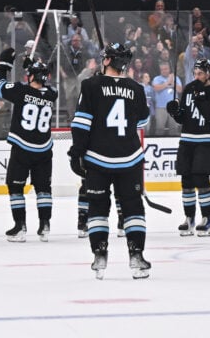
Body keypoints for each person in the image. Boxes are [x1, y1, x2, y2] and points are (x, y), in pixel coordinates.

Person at [70, 42, 152, 279]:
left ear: (107, 61)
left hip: (98, 158)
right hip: (129, 157)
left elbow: (82, 122)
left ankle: (99, 254)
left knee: (98, 207)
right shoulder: (135, 87)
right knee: (133, 208)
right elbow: (141, 122)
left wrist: (77, 152)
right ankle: (136, 256)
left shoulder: (91, 85)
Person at [0, 58, 58, 242]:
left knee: (15, 186)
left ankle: (20, 226)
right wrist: (33, 69)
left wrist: (5, 66)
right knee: (44, 188)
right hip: (44, 149)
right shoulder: (52, 94)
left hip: (22, 148)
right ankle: (45, 225)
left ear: (31, 76)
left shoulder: (21, 91)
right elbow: (41, 87)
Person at [167, 58, 210, 236]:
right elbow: (183, 118)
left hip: (207, 140)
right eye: (195, 73)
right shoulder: (189, 88)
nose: (197, 76)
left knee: (201, 179)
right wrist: (175, 112)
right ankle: (189, 218)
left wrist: (201, 97)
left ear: (209, 73)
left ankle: (207, 219)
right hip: (187, 139)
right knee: (186, 181)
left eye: (200, 73)